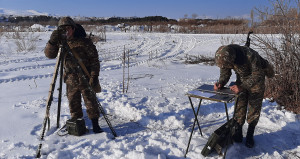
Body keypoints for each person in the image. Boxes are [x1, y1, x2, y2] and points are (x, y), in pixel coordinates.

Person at [44, 17, 103, 133]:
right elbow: (49, 55)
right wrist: (52, 42)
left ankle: (95, 125)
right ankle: (77, 124)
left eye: (68, 28)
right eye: (62, 29)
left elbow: (94, 60)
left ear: (73, 28)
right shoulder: (60, 43)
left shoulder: (84, 41)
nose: (66, 31)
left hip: (86, 78)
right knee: (73, 103)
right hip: (70, 79)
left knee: (91, 102)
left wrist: (94, 76)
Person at [214, 44, 274, 148]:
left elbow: (258, 75)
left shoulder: (250, 55)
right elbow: (225, 72)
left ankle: (250, 134)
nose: (227, 66)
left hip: (256, 81)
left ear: (233, 58)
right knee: (239, 105)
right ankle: (238, 133)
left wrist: (242, 86)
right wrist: (221, 83)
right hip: (241, 79)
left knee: (254, 107)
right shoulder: (224, 56)